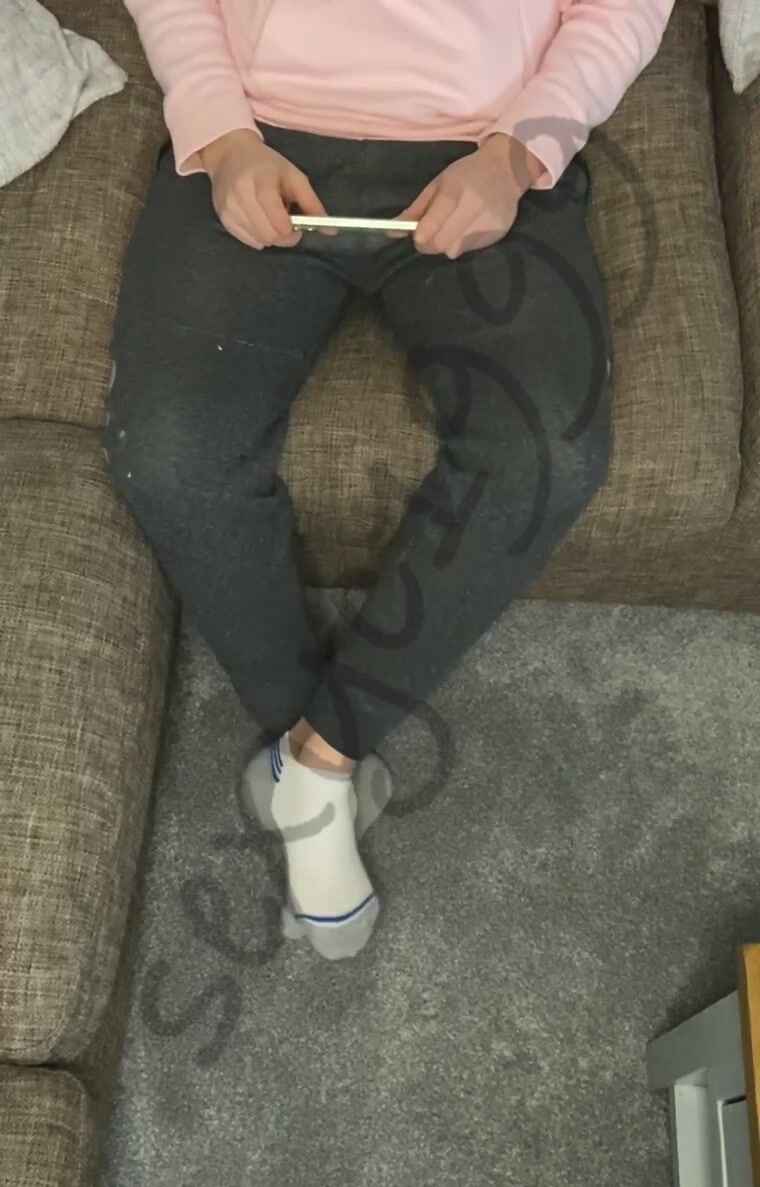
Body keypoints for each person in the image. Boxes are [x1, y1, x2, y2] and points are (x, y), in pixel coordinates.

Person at [109, 0, 675, 960]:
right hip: (262, 130)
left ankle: (317, 763)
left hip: (480, 146)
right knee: (165, 452)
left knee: (549, 448)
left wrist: (518, 154)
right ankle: (308, 748)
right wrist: (221, 132)